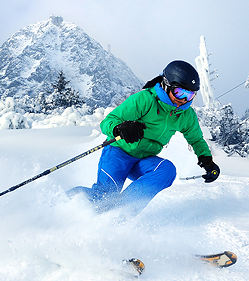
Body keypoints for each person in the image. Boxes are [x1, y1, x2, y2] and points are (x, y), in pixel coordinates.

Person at [68, 60, 220, 216]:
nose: (183, 100)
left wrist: (207, 161)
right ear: (166, 85)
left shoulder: (185, 114)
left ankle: (122, 211)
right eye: (179, 92)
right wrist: (120, 128)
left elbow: (196, 139)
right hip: (118, 153)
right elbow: (107, 121)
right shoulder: (145, 99)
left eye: (190, 95)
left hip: (143, 160)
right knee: (103, 198)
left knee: (166, 170)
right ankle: (64, 201)